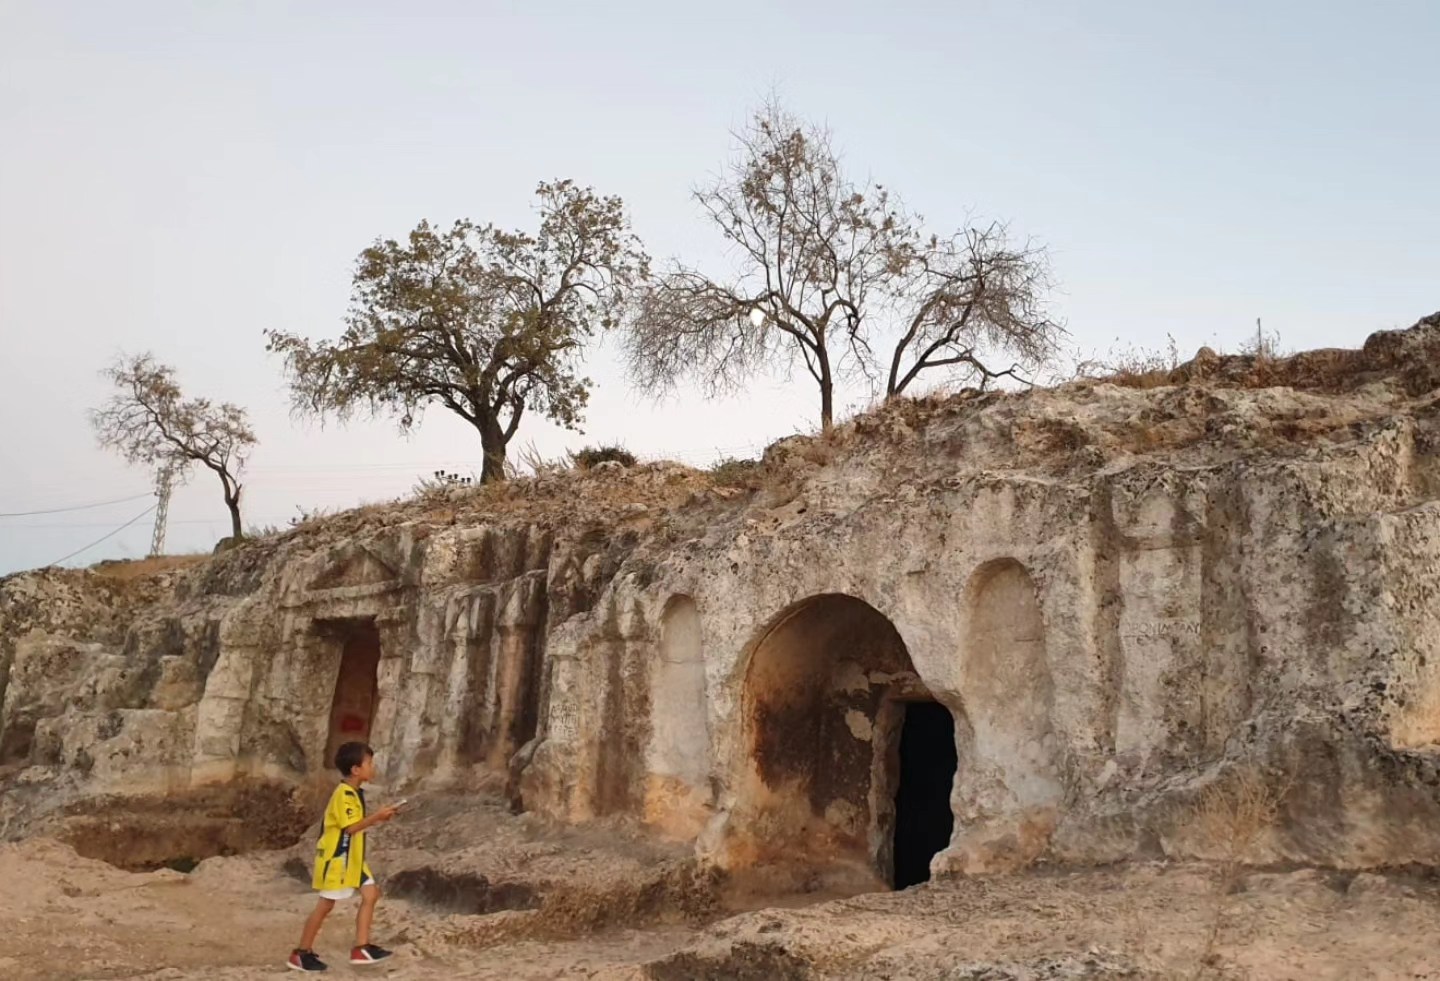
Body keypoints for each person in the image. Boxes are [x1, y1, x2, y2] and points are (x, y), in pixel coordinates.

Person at [287, 742, 400, 972]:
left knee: (371, 893)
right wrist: (378, 816)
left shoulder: (354, 792)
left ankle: (361, 947)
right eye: (369, 763)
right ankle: (301, 953)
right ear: (356, 769)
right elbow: (350, 828)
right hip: (338, 860)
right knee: (325, 905)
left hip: (353, 860)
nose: (372, 768)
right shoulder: (344, 795)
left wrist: (379, 817)